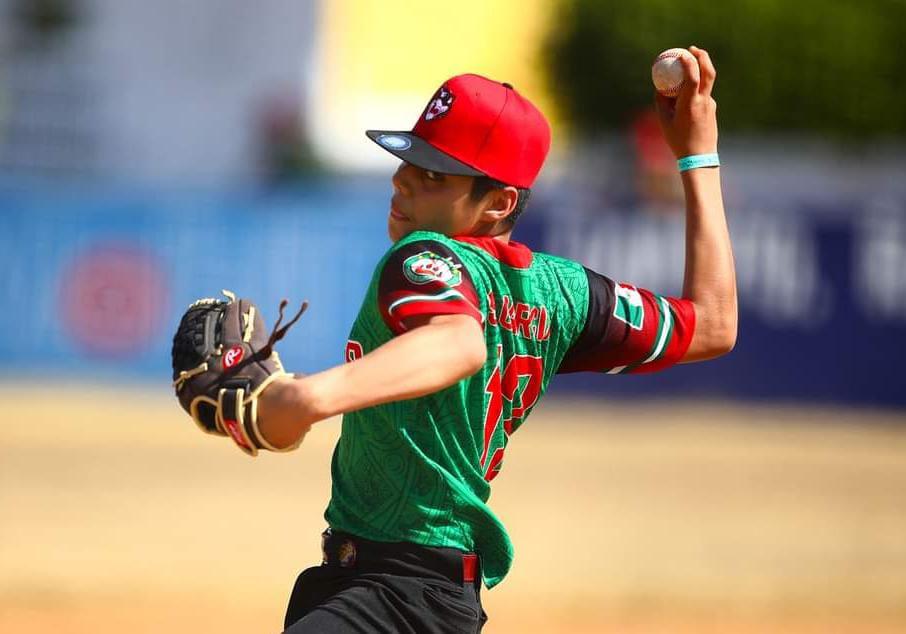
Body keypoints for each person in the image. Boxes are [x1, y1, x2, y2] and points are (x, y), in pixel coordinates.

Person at [259, 46, 736, 633]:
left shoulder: (422, 255)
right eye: (408, 159)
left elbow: (459, 343)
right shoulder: (562, 293)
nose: (402, 180)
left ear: (500, 202)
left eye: (434, 174)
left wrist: (307, 399)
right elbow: (713, 325)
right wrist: (697, 157)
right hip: (431, 599)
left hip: (390, 596)